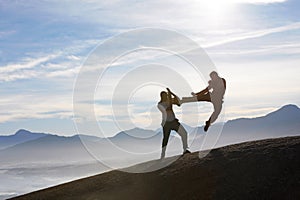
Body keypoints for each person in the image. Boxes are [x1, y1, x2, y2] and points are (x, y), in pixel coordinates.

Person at [157, 88, 190, 159]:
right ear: (162, 97)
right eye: (165, 95)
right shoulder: (160, 104)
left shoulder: (169, 101)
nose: (166, 97)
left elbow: (179, 102)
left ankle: (185, 149)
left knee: (184, 133)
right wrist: (170, 96)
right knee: (165, 139)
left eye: (166, 95)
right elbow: (168, 109)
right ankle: (162, 155)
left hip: (173, 121)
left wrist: (171, 93)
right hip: (166, 124)